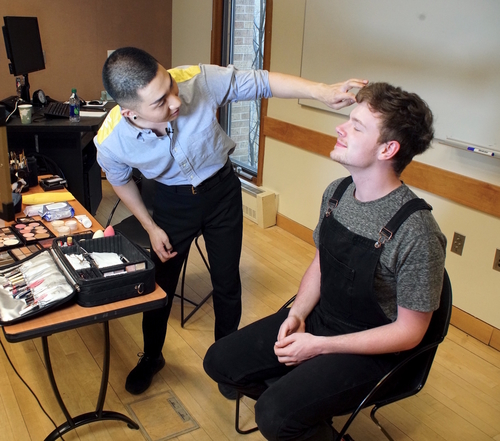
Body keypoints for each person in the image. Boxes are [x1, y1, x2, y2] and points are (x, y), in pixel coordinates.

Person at [94, 47, 367, 396]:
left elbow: (261, 82)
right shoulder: (112, 140)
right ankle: (151, 357)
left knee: (226, 282)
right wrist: (150, 225)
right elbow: (120, 180)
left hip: (221, 191)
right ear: (129, 111)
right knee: (159, 287)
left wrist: (322, 91)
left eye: (171, 87)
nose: (175, 101)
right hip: (169, 202)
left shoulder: (194, 79)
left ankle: (227, 364)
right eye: (161, 101)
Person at [203, 82, 447, 440]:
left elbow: (410, 333)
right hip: (321, 320)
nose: (340, 128)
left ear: (388, 149)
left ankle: (301, 419)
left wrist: (319, 347)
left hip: (374, 350)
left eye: (357, 126)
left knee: (274, 415)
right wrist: (297, 315)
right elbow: (321, 265)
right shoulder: (337, 192)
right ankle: (305, 416)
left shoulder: (418, 233)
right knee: (219, 362)